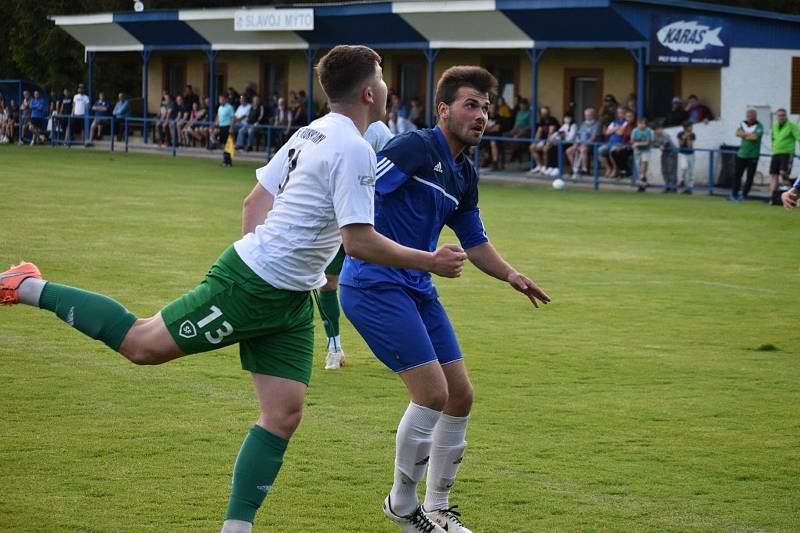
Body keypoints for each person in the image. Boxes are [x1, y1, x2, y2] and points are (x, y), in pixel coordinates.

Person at [0, 44, 466, 533]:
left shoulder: (315, 131)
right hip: (255, 284)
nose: (390, 88)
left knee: (283, 415)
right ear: (370, 92)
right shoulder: (349, 147)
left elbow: (254, 200)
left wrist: (271, 261)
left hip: (288, 299)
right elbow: (358, 241)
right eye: (385, 79)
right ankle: (27, 284)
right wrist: (428, 261)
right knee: (142, 345)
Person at [339, 66, 551, 533]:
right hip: (374, 284)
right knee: (432, 393)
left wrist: (511, 274)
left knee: (460, 395)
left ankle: (438, 507)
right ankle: (402, 504)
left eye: (486, 108)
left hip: (417, 286)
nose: (481, 116)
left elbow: (474, 242)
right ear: (443, 109)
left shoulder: (464, 173)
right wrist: (423, 259)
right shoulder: (414, 148)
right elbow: (360, 198)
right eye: (471, 105)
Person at [318, 119, 395, 370]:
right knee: (328, 283)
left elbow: (391, 175)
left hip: (367, 219)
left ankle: (400, 347)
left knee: (383, 283)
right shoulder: (333, 126)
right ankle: (334, 347)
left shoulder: (379, 132)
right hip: (336, 218)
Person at [768, 108, 800, 205]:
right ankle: (772, 198)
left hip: (787, 153)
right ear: (777, 116)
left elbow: (799, 137)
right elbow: (773, 138)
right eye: (779, 115)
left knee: (784, 175)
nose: (781, 117)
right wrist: (773, 148)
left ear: (786, 116)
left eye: (783, 115)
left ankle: (792, 197)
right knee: (774, 175)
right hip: (776, 153)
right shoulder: (774, 126)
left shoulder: (791, 126)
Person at [731, 109, 764, 201]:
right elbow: (737, 133)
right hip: (741, 154)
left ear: (754, 116)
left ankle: (744, 195)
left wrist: (744, 134)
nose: (748, 117)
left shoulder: (759, 125)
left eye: (750, 115)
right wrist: (748, 134)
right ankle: (734, 194)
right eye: (747, 115)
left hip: (753, 155)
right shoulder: (743, 124)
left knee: (750, 176)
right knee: (737, 175)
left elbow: (754, 137)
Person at [565, 107, 601, 177]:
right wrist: (576, 143)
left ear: (593, 115)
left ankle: (585, 169)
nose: (587, 117)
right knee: (569, 151)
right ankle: (575, 168)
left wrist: (584, 144)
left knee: (583, 149)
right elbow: (578, 135)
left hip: (592, 145)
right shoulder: (583, 124)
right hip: (581, 144)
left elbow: (593, 138)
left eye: (589, 115)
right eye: (586, 115)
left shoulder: (597, 124)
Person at [528, 106, 560, 175]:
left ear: (548, 113)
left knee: (545, 149)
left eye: (545, 112)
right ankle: (539, 166)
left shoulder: (552, 120)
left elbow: (551, 133)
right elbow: (539, 132)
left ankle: (545, 168)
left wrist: (546, 144)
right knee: (532, 147)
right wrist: (535, 142)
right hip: (544, 140)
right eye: (542, 113)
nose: (544, 114)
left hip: (554, 140)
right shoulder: (542, 120)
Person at [599, 107, 628, 179]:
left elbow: (621, 133)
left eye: (622, 112)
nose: (620, 114)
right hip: (610, 142)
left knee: (612, 151)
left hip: (620, 143)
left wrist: (613, 130)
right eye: (619, 112)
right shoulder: (614, 122)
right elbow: (607, 132)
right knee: (600, 150)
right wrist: (617, 128)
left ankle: (615, 169)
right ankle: (608, 168)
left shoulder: (626, 122)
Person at [652, 123, 678, 193]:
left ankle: (673, 187)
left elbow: (665, 143)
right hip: (665, 153)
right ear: (655, 130)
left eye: (660, 129)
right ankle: (667, 186)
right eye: (657, 129)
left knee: (671, 169)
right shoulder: (653, 135)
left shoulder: (665, 134)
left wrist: (661, 145)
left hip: (672, 152)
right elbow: (653, 143)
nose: (660, 130)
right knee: (664, 170)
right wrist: (659, 145)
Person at [631, 116, 654, 191]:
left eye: (643, 124)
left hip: (646, 150)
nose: (641, 125)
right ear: (637, 124)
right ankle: (643, 181)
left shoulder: (648, 131)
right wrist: (635, 144)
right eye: (640, 124)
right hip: (637, 151)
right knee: (639, 165)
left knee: (644, 162)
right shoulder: (635, 131)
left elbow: (647, 142)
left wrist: (637, 144)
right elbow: (632, 140)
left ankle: (642, 178)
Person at [677, 121, 696, 194]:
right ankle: (683, 183)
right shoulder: (680, 134)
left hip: (691, 154)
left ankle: (689, 188)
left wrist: (688, 137)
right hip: (683, 154)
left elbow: (689, 146)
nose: (692, 128)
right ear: (686, 127)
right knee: (684, 168)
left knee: (690, 171)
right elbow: (680, 144)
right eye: (690, 126)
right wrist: (683, 138)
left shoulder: (693, 134)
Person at [216, 94, 235, 167]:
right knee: (223, 144)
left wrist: (231, 127)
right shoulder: (220, 108)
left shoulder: (229, 107)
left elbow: (232, 118)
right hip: (221, 127)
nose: (220, 101)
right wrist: (216, 126)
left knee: (229, 144)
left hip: (227, 127)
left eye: (221, 99)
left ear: (225, 99)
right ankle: (225, 160)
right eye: (219, 99)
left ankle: (229, 161)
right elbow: (218, 117)